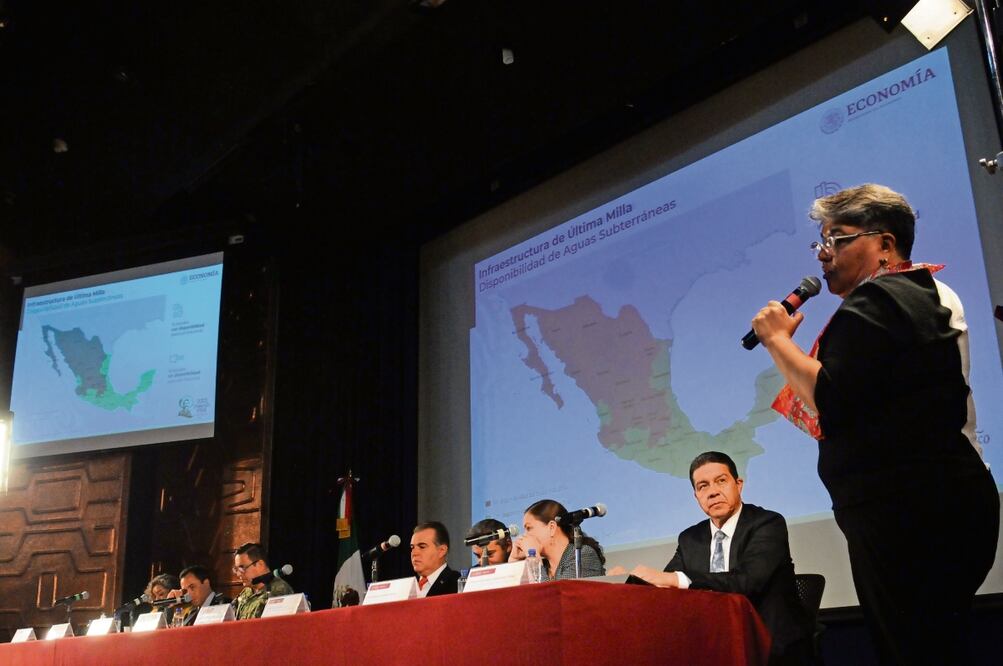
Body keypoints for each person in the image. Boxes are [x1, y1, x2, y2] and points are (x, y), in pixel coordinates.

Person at [750, 183, 999, 663]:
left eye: (837, 238)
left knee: (911, 650)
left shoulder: (885, 298)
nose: (824, 255)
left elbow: (831, 397)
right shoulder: (922, 292)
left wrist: (777, 340)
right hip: (932, 504)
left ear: (885, 242)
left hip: (910, 512)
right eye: (821, 242)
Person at [623, 452, 812, 665]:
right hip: (710, 645)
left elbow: (747, 582)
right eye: (703, 486)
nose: (712, 492)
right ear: (696, 496)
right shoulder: (690, 538)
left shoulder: (767, 524)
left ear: (738, 484)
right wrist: (629, 581)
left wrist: (677, 580)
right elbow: (666, 589)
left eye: (721, 481)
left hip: (768, 647)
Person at [509, 499, 605, 580]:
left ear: (551, 527)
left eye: (529, 528)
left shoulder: (582, 554)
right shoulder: (544, 566)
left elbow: (553, 598)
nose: (525, 536)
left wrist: (533, 557)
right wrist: (513, 560)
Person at [232, 542, 294, 620]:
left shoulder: (279, 590)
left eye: (242, 568)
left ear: (260, 564)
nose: (238, 574)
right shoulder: (245, 593)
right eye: (236, 569)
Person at [410, 521, 460, 597]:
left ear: (442, 551)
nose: (414, 553)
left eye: (422, 547)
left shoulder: (457, 583)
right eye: (412, 547)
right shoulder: (408, 586)